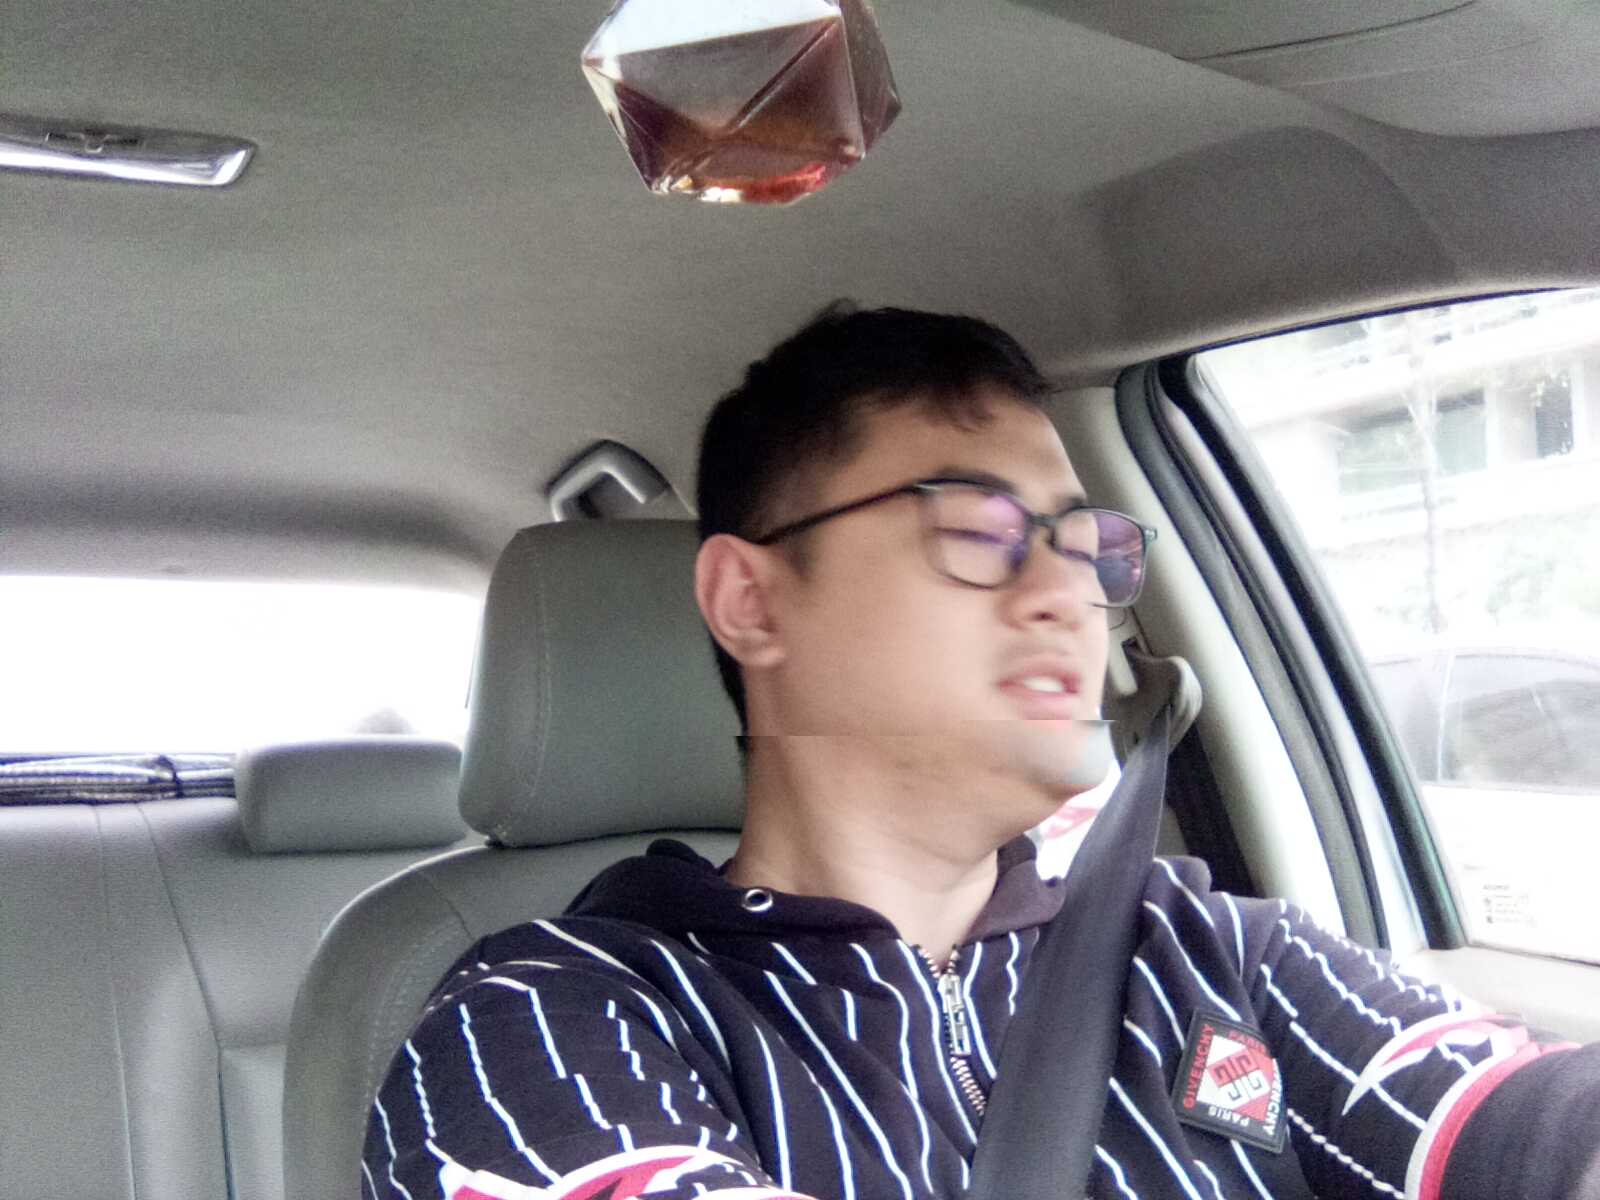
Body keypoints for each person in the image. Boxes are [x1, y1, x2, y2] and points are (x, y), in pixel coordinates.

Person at [363, 305, 1599, 1200]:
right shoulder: (543, 1022)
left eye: (1086, 544)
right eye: (978, 528)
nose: (1069, 594)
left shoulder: (1216, 954)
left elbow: (1531, 1131)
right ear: (752, 600)